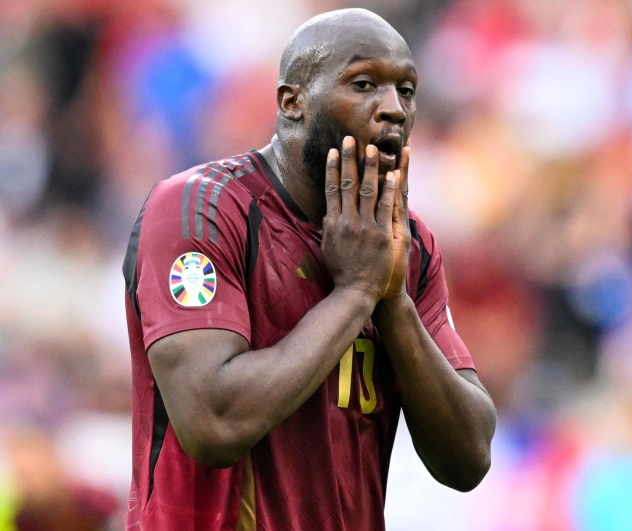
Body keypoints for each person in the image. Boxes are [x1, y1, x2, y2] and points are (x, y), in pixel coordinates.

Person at [121, 8, 497, 530]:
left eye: (406, 90)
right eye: (363, 84)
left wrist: (393, 302)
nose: (393, 109)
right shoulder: (200, 210)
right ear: (292, 102)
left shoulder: (408, 245)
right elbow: (213, 423)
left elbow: (469, 457)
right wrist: (357, 292)